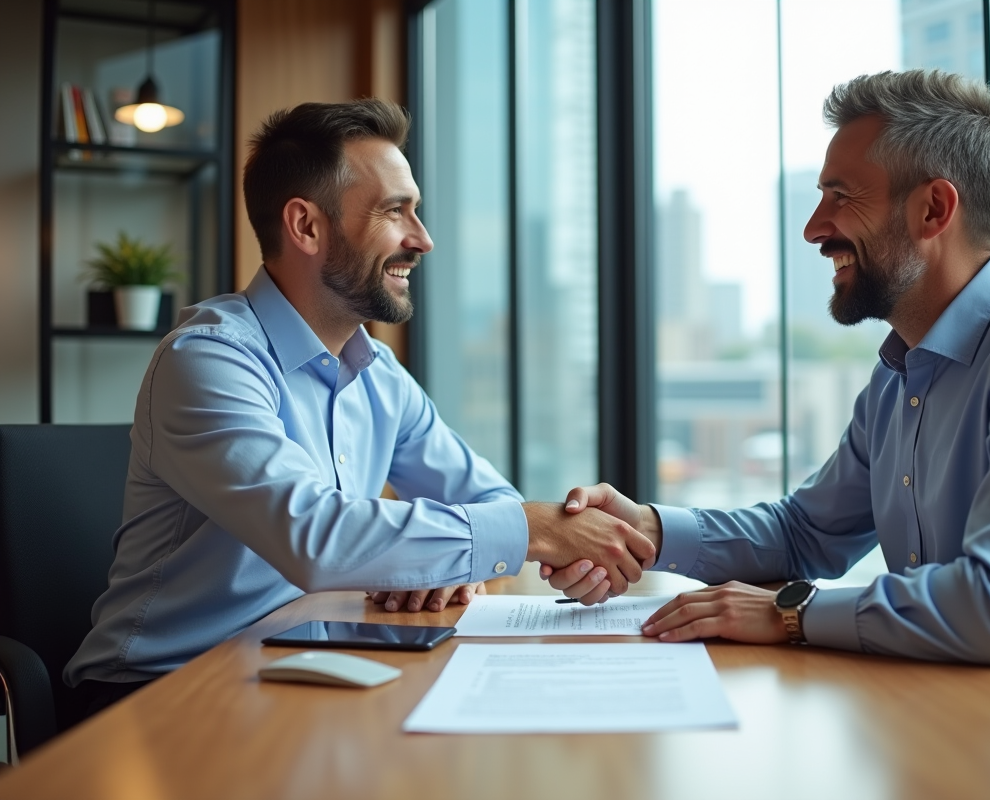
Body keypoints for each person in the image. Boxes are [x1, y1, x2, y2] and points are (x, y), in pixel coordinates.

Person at [545, 70, 990, 719]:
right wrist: (645, 529)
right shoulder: (899, 374)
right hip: (943, 716)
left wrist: (791, 611)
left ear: (933, 209)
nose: (815, 229)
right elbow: (806, 534)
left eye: (840, 197)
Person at [65, 99, 654, 710]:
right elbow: (316, 538)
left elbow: (487, 501)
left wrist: (451, 563)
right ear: (307, 226)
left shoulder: (380, 376)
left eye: (416, 211)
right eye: (394, 211)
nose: (422, 239)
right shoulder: (208, 361)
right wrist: (534, 531)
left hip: (298, 671)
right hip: (159, 691)